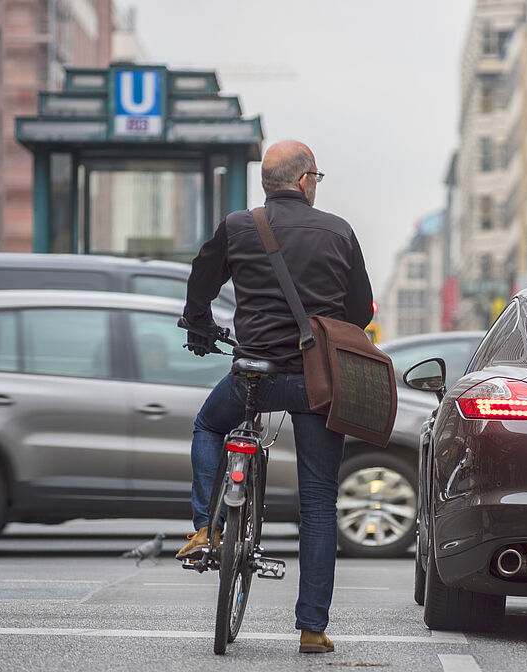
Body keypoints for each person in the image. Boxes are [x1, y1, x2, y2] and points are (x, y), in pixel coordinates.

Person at [176, 140, 373, 655]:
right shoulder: (339, 231)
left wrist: (199, 326)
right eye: (317, 178)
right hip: (316, 380)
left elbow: (201, 279)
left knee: (209, 425)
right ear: (306, 180)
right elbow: (359, 311)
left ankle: (205, 527)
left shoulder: (239, 226)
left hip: (253, 375)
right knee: (318, 501)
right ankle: (312, 628)